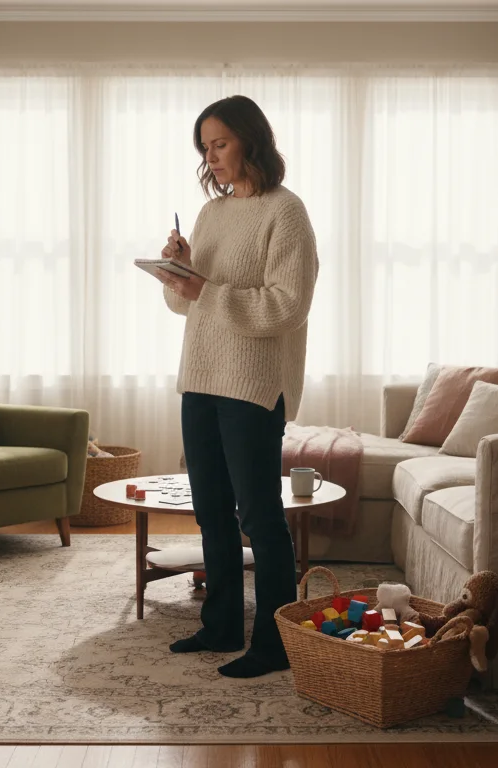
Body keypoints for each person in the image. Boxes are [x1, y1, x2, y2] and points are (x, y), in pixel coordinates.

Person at [152, 95, 319, 678]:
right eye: (205, 147)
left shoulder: (286, 212)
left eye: (220, 143)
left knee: (260, 517)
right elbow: (185, 305)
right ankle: (221, 624)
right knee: (210, 511)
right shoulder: (211, 213)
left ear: (251, 140)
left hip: (253, 384)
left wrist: (204, 289)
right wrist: (179, 270)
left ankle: (273, 644)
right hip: (200, 375)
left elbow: (287, 306)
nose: (211, 156)